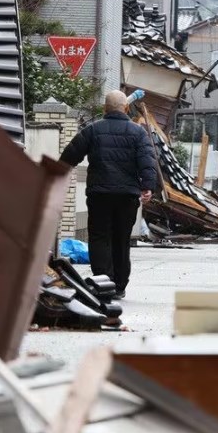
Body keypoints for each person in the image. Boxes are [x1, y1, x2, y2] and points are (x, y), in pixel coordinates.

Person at [60, 90, 157, 299]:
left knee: (99, 237)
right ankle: (119, 285)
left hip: (99, 194)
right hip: (127, 197)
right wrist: (147, 187)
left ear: (104, 108)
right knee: (121, 239)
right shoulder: (138, 132)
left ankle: (102, 282)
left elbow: (70, 154)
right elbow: (147, 161)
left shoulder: (93, 130)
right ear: (126, 107)